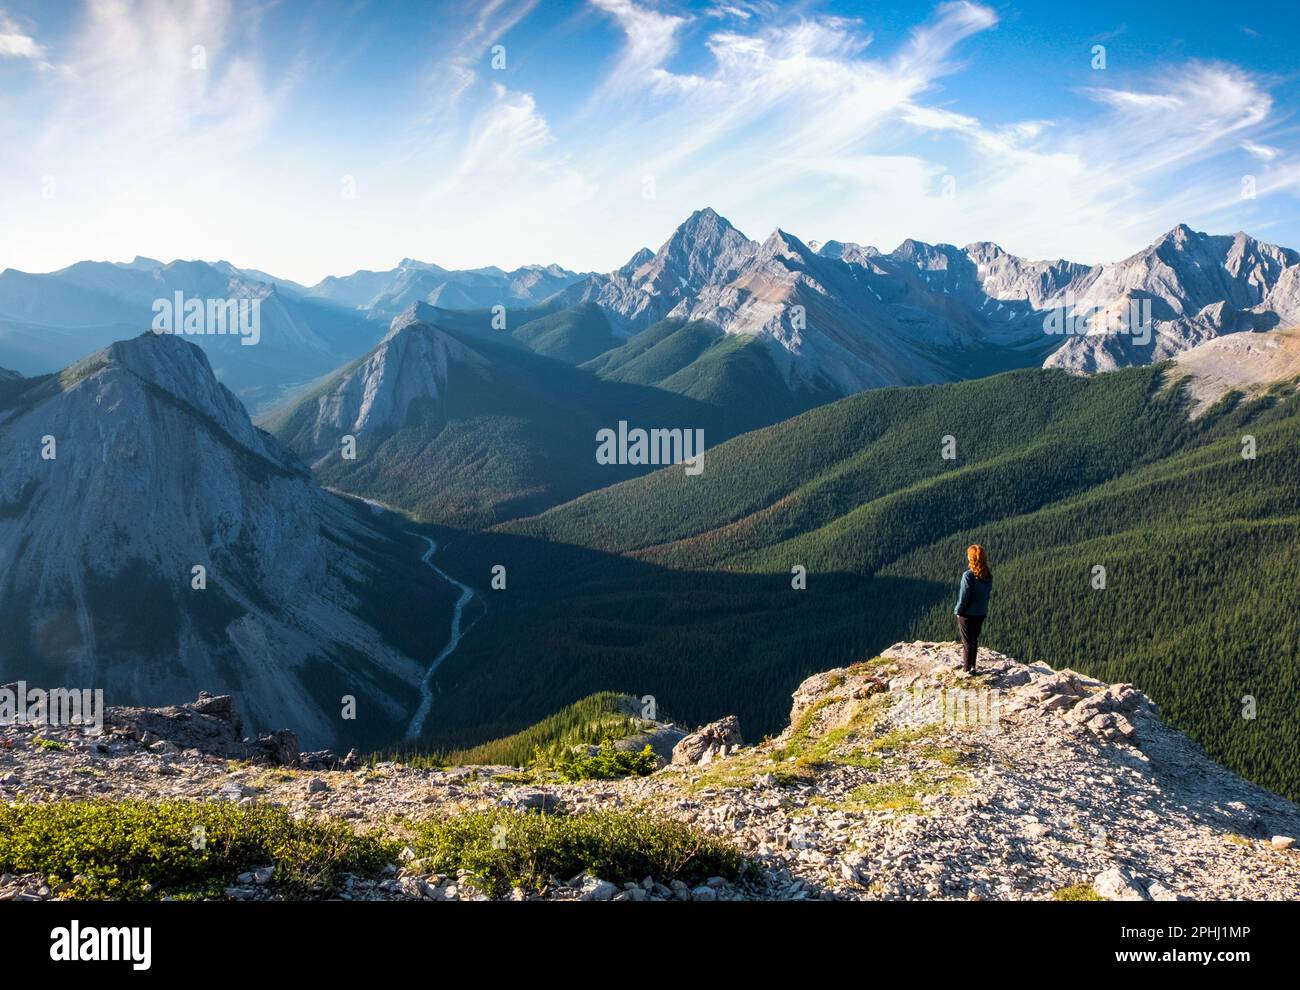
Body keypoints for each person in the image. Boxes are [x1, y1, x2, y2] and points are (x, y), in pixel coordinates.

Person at [953, 544, 992, 674]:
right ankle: (973, 667)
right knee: (974, 639)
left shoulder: (968, 576)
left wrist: (958, 611)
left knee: (967, 642)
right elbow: (987, 594)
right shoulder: (987, 575)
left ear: (971, 559)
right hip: (981, 612)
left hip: (967, 613)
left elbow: (964, 597)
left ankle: (967, 669)